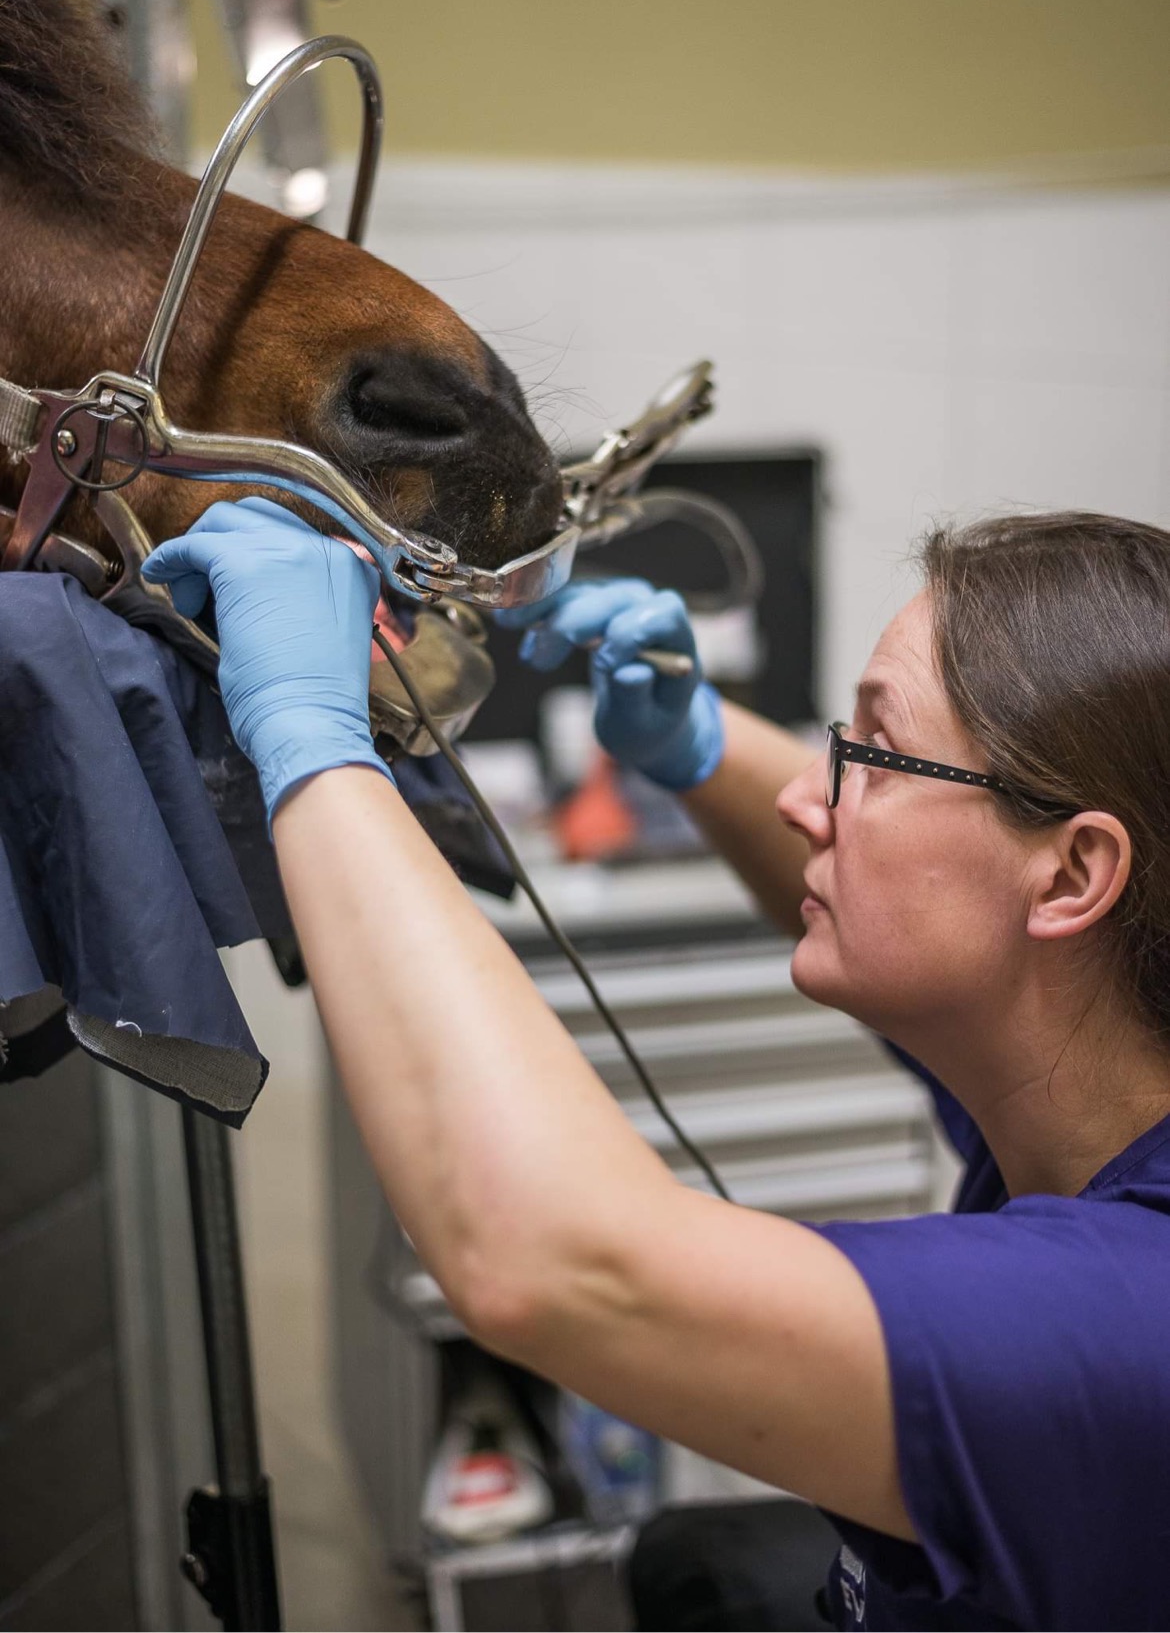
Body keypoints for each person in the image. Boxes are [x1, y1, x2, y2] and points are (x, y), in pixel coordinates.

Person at [143, 501, 1170, 1632]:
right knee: (695, 1562)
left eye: (869, 757)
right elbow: (929, 900)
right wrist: (699, 740)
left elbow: (558, 1260)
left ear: (1073, 876)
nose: (803, 798)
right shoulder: (1095, 1085)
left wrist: (312, 738)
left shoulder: (1117, 1325)